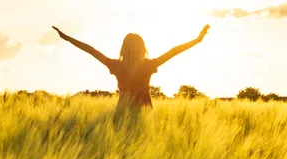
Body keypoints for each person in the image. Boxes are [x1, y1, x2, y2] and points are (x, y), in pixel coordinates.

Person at [51, 24, 210, 110]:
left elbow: (90, 50)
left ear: (123, 48)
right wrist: (197, 40)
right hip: (145, 113)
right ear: (143, 48)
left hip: (121, 114)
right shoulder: (148, 65)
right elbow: (174, 51)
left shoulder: (115, 65)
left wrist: (66, 38)